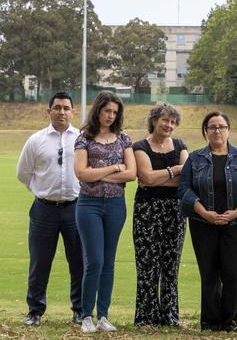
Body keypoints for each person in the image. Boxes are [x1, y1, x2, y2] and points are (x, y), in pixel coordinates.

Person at [178, 111, 237, 332]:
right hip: (203, 223)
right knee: (209, 272)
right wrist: (204, 212)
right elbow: (184, 189)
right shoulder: (195, 158)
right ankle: (210, 321)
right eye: (212, 127)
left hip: (236, 223)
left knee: (234, 272)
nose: (217, 131)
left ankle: (229, 320)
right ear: (206, 131)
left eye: (221, 126)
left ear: (229, 130)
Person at [16, 91, 84, 327]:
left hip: (75, 209)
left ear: (73, 111)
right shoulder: (36, 140)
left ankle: (79, 310)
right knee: (40, 262)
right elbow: (23, 173)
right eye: (57, 107)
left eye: (66, 108)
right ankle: (34, 311)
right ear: (49, 111)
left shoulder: (83, 138)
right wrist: (42, 192)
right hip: (44, 210)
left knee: (78, 261)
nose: (62, 112)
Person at [73, 90, 137, 333]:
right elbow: (81, 174)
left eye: (115, 112)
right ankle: (85, 315)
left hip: (115, 206)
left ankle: (103, 315)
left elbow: (131, 174)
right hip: (88, 205)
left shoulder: (124, 139)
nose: (110, 116)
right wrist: (113, 168)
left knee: (108, 262)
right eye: (107, 110)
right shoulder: (84, 138)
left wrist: (97, 172)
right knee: (95, 261)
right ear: (98, 109)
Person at [132, 102, 188, 327]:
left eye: (173, 122)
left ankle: (170, 317)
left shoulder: (181, 145)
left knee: (171, 264)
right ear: (154, 120)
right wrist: (174, 170)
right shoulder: (140, 147)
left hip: (175, 210)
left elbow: (187, 178)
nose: (169, 125)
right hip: (147, 210)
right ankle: (146, 317)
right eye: (165, 120)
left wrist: (159, 176)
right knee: (147, 264)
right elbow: (146, 178)